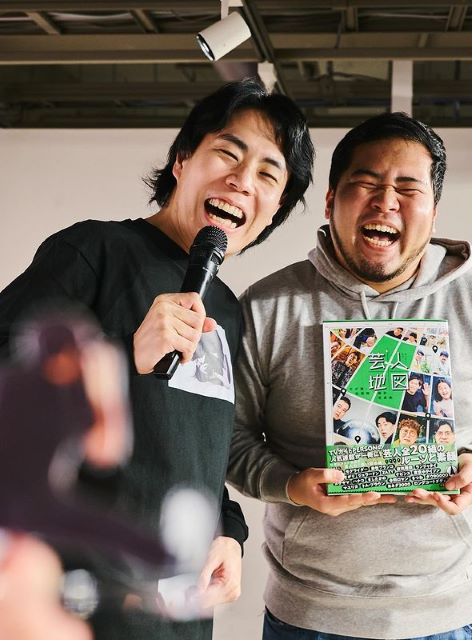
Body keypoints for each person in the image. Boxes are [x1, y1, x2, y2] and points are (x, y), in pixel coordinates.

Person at [0, 79, 315, 640]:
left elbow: (194, 447)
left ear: (273, 212)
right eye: (228, 153)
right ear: (181, 160)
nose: (243, 181)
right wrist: (123, 355)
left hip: (177, 608)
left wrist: (229, 531)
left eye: (269, 176)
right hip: (78, 601)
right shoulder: (93, 252)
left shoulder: (227, 309)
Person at [228, 111, 472, 639]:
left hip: (456, 616)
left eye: (408, 188)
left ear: (433, 210)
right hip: (309, 617)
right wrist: (290, 486)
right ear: (331, 200)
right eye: (366, 183)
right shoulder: (267, 307)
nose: (386, 202)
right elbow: (226, 436)